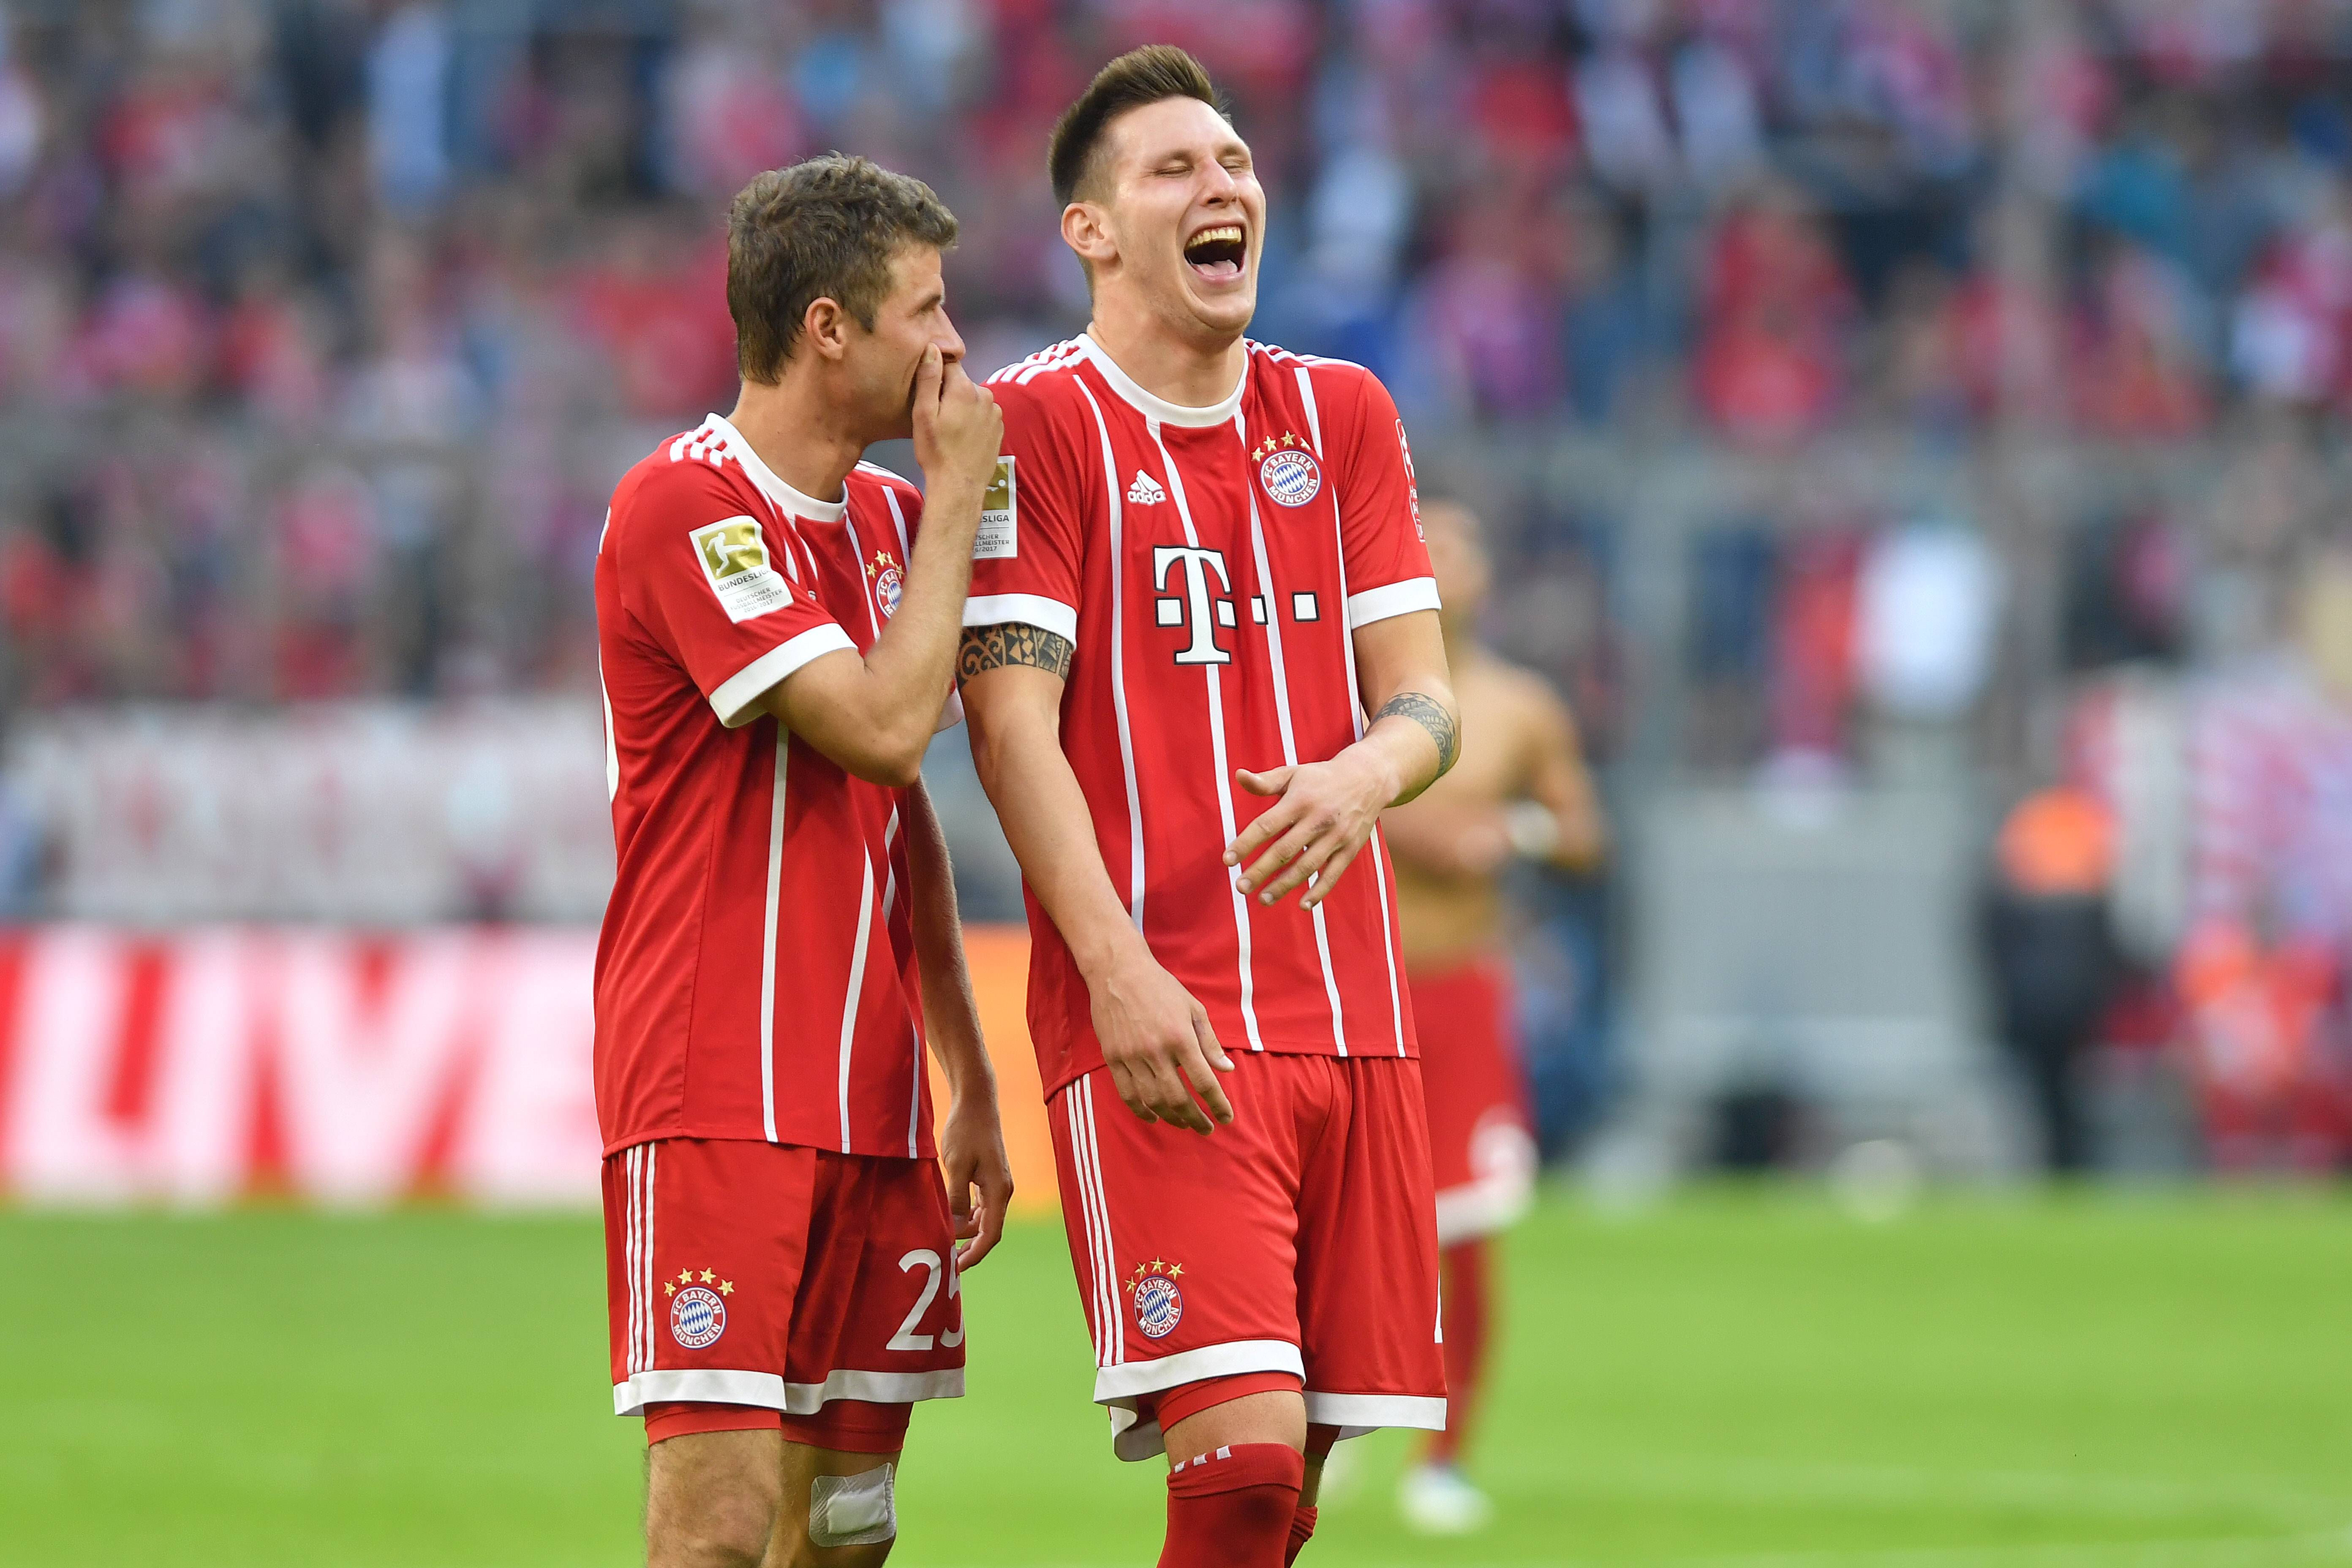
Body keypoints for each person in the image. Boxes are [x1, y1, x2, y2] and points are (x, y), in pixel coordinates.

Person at [956, 46, 1459, 1567]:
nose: (1221, 186)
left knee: (1284, 1500)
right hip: (1163, 1014)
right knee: (1233, 1471)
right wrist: (1112, 971)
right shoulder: (1029, 427)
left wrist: (1357, 775)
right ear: (1090, 231)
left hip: (1353, 1017)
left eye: (1233, 163)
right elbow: (1003, 721)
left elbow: (1424, 703)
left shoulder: (1343, 414)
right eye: (1173, 170)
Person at [592, 154, 1012, 1568]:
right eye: (927, 311)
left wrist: (967, 1077)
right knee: (714, 1534)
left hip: (876, 1102)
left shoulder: (893, 528)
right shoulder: (686, 508)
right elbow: (888, 736)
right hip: (716, 1088)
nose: (953, 349)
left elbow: (905, 832)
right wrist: (959, 496)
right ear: (827, 326)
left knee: (844, 1528)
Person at [1378, 499, 1606, 1533]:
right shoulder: (1337, 688)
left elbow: (1581, 832)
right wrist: (1416, 827)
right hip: (1358, 987)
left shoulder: (1520, 706)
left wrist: (1502, 834)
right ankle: (1316, 1424)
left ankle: (1447, 1455)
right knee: (1320, 1229)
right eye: (1426, 545)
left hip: (1465, 988)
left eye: (1462, 549)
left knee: (1464, 1231)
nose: (1443, 565)